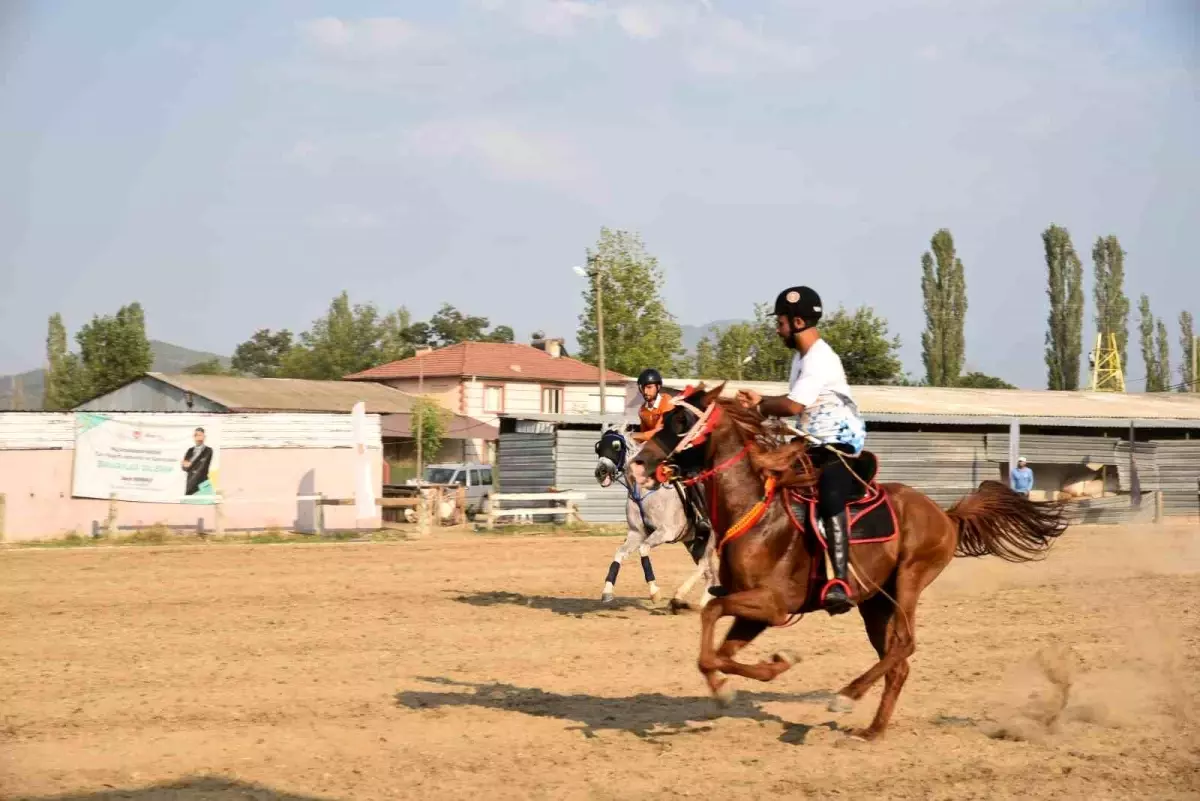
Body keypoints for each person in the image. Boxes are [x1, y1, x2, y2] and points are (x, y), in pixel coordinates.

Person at [735, 286, 866, 616]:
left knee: (830, 493)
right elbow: (795, 403)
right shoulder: (800, 359)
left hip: (839, 447)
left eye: (779, 322)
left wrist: (762, 405)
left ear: (796, 322)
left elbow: (793, 405)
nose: (777, 329)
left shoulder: (820, 359)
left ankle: (840, 581)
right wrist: (760, 404)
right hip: (811, 445)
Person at [632, 367, 712, 546]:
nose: (646, 391)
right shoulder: (642, 411)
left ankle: (703, 517)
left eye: (650, 387)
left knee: (690, 477)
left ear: (658, 387)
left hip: (677, 447)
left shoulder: (666, 403)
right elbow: (646, 437)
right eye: (644, 388)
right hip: (660, 451)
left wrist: (633, 436)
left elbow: (659, 432)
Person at [181, 427, 213, 496]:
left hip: (203, 483)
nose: (197, 437)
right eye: (196, 435)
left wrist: (189, 464)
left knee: (206, 504)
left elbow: (202, 467)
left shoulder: (208, 450)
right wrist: (187, 465)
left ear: (204, 437)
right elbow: (184, 468)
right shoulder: (190, 450)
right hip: (191, 483)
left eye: (200, 435)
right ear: (194, 437)